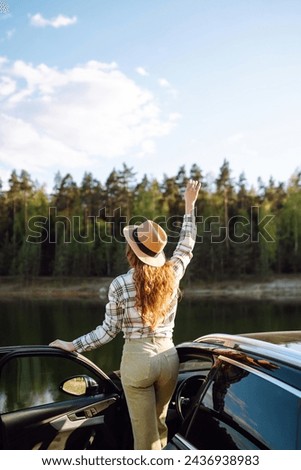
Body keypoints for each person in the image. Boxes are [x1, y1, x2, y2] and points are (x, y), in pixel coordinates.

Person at [49, 179, 201, 450]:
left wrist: (73, 345)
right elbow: (187, 244)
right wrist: (190, 205)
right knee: (160, 426)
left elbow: (108, 331)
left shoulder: (120, 284)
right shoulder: (173, 274)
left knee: (143, 439)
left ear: (131, 251)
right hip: (169, 358)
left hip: (138, 362)